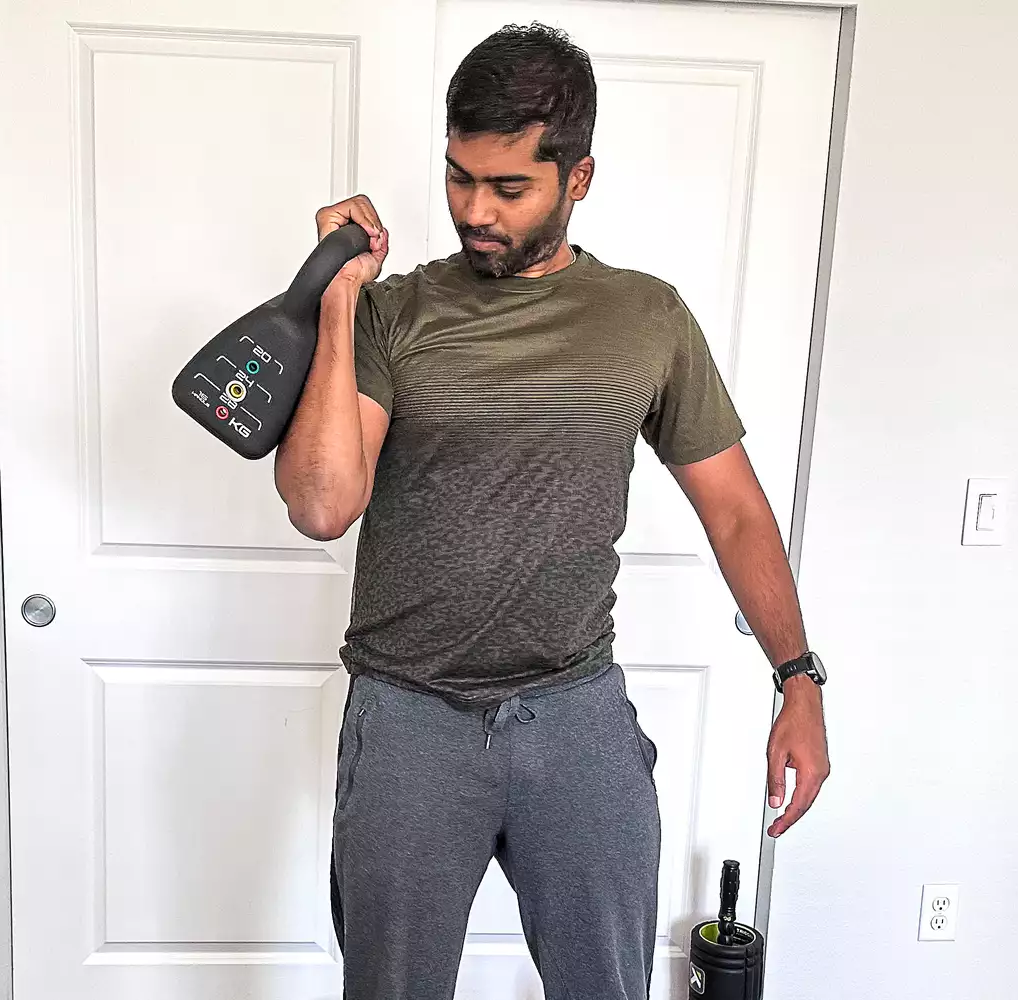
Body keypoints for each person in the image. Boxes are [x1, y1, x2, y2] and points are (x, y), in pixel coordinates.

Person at [273, 21, 829, 1000]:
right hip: (409, 718)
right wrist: (336, 300)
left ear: (579, 178)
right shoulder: (396, 313)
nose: (474, 211)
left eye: (508, 187)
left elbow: (737, 513)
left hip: (575, 714)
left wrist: (799, 680)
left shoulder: (647, 318)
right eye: (458, 179)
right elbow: (322, 504)